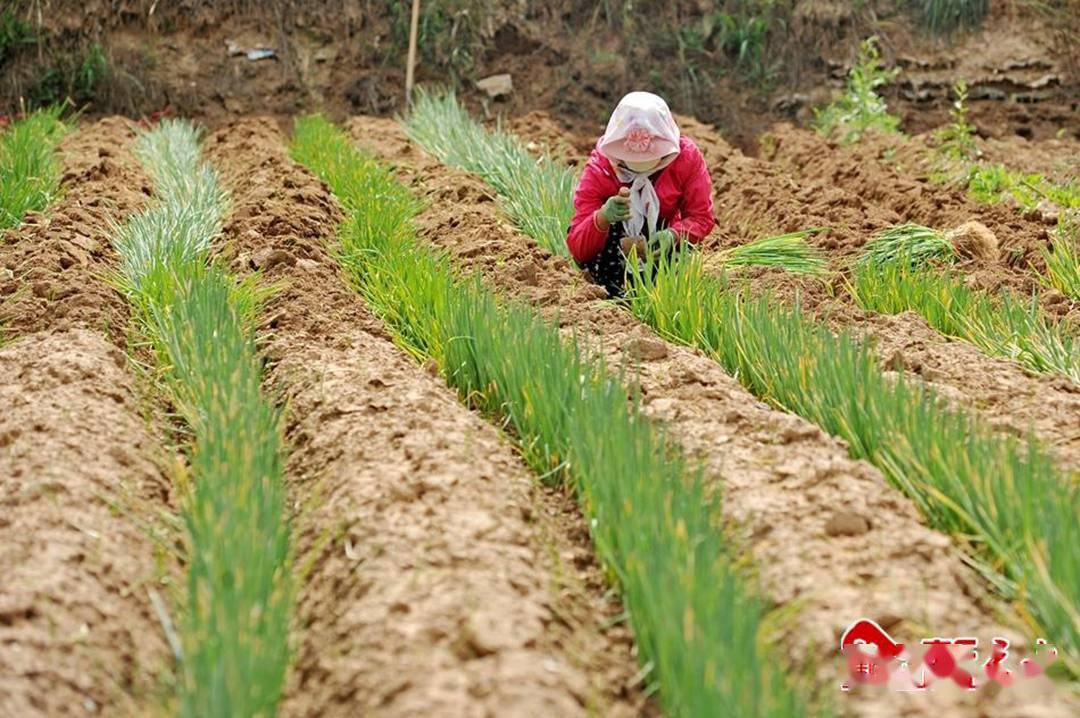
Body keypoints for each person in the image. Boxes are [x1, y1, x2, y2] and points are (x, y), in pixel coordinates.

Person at [566, 91, 716, 297]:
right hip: (611, 257)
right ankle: (614, 295)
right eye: (631, 164)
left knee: (680, 267)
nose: (641, 170)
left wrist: (674, 235)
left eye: (651, 162)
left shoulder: (685, 159)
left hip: (663, 247)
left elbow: (701, 217)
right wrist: (602, 218)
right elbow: (578, 247)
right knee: (603, 268)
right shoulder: (601, 169)